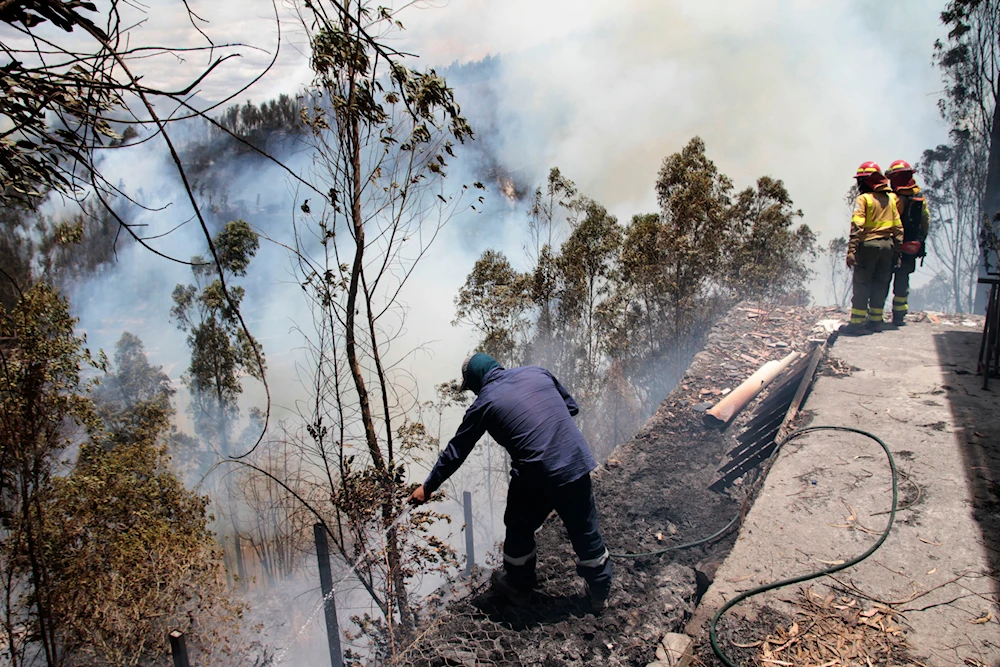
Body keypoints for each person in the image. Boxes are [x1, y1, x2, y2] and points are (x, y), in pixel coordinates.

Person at [407, 352, 613, 612]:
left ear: (476, 381)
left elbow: (456, 451)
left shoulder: (484, 402)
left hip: (536, 474)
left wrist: (427, 487)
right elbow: (571, 407)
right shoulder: (538, 371)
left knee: (518, 527)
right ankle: (599, 594)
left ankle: (518, 587)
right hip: (575, 460)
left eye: (472, 388)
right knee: (585, 529)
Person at [844, 162, 903, 335]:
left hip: (868, 246)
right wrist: (897, 251)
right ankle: (875, 322)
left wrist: (852, 250)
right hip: (887, 246)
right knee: (880, 284)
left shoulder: (864, 199)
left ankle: (856, 324)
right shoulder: (891, 199)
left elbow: (857, 225)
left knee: (862, 284)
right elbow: (898, 227)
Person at [886, 160, 930, 326]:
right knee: (903, 279)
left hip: (893, 247)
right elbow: (925, 222)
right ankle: (899, 316)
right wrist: (920, 241)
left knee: (884, 279)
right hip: (911, 247)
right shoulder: (920, 199)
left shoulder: (894, 199)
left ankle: (875, 315)